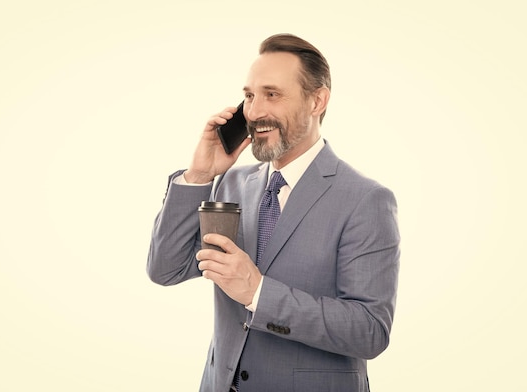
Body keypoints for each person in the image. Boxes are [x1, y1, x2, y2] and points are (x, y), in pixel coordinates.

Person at [147, 33, 400, 392]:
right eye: (249, 96)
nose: (253, 112)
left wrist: (259, 292)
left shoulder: (365, 200)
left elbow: (369, 331)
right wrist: (200, 174)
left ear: (317, 100)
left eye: (272, 94)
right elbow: (165, 269)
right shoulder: (228, 184)